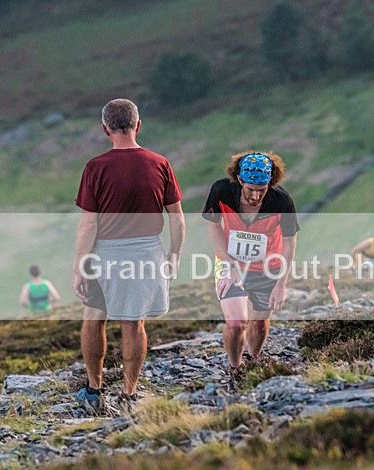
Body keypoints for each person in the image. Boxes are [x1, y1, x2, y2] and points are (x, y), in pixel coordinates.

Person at [72, 98, 185, 414]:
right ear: (138, 125)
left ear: (105, 129)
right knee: (133, 324)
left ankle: (94, 391)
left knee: (94, 318)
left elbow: (88, 225)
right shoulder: (160, 163)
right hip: (147, 252)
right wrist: (174, 254)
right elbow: (177, 220)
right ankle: (129, 394)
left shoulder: (95, 167)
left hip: (106, 253)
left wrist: (79, 266)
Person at [202, 151, 299, 392]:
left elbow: (289, 243)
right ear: (240, 180)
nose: (256, 196)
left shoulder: (282, 201)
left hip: (268, 267)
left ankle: (255, 359)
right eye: (250, 190)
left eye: (262, 190)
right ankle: (235, 370)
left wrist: (281, 284)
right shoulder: (222, 191)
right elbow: (213, 226)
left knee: (259, 323)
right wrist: (230, 264)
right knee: (236, 323)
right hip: (230, 263)